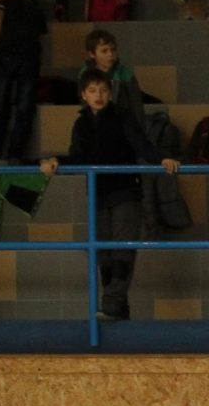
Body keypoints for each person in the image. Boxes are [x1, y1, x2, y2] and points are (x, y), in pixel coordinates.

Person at [38, 70, 180, 322]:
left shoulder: (122, 116)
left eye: (103, 90)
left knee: (123, 249)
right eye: (92, 91)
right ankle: (117, 309)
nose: (99, 95)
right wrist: (55, 160)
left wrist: (161, 159)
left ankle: (111, 304)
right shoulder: (81, 124)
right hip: (98, 194)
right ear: (84, 95)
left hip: (125, 191)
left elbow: (141, 144)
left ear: (111, 93)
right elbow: (78, 157)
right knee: (103, 253)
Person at [0, 0, 45, 164]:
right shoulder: (37, 10)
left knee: (1, 103)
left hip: (6, 55)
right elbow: (40, 38)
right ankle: (15, 154)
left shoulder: (6, 3)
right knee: (25, 106)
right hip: (30, 58)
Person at [77, 28, 147, 124]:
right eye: (104, 51)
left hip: (122, 123)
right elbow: (84, 103)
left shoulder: (125, 74)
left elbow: (137, 106)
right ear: (92, 54)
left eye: (113, 50)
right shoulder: (85, 73)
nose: (110, 54)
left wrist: (137, 128)